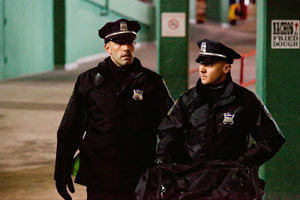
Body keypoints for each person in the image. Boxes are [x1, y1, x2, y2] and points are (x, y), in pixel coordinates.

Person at [54, 18, 174, 200]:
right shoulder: (88, 81)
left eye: (130, 42)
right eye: (119, 43)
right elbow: (70, 129)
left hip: (139, 176)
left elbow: (171, 128)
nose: (126, 48)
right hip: (99, 175)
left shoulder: (152, 82)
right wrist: (61, 170)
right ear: (107, 48)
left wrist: (169, 168)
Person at [154, 39, 285, 199]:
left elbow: (272, 138)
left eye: (209, 64)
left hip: (231, 185)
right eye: (201, 63)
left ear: (226, 67)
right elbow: (168, 133)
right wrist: (166, 163)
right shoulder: (187, 100)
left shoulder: (246, 100)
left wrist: (242, 164)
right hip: (193, 184)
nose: (202, 69)